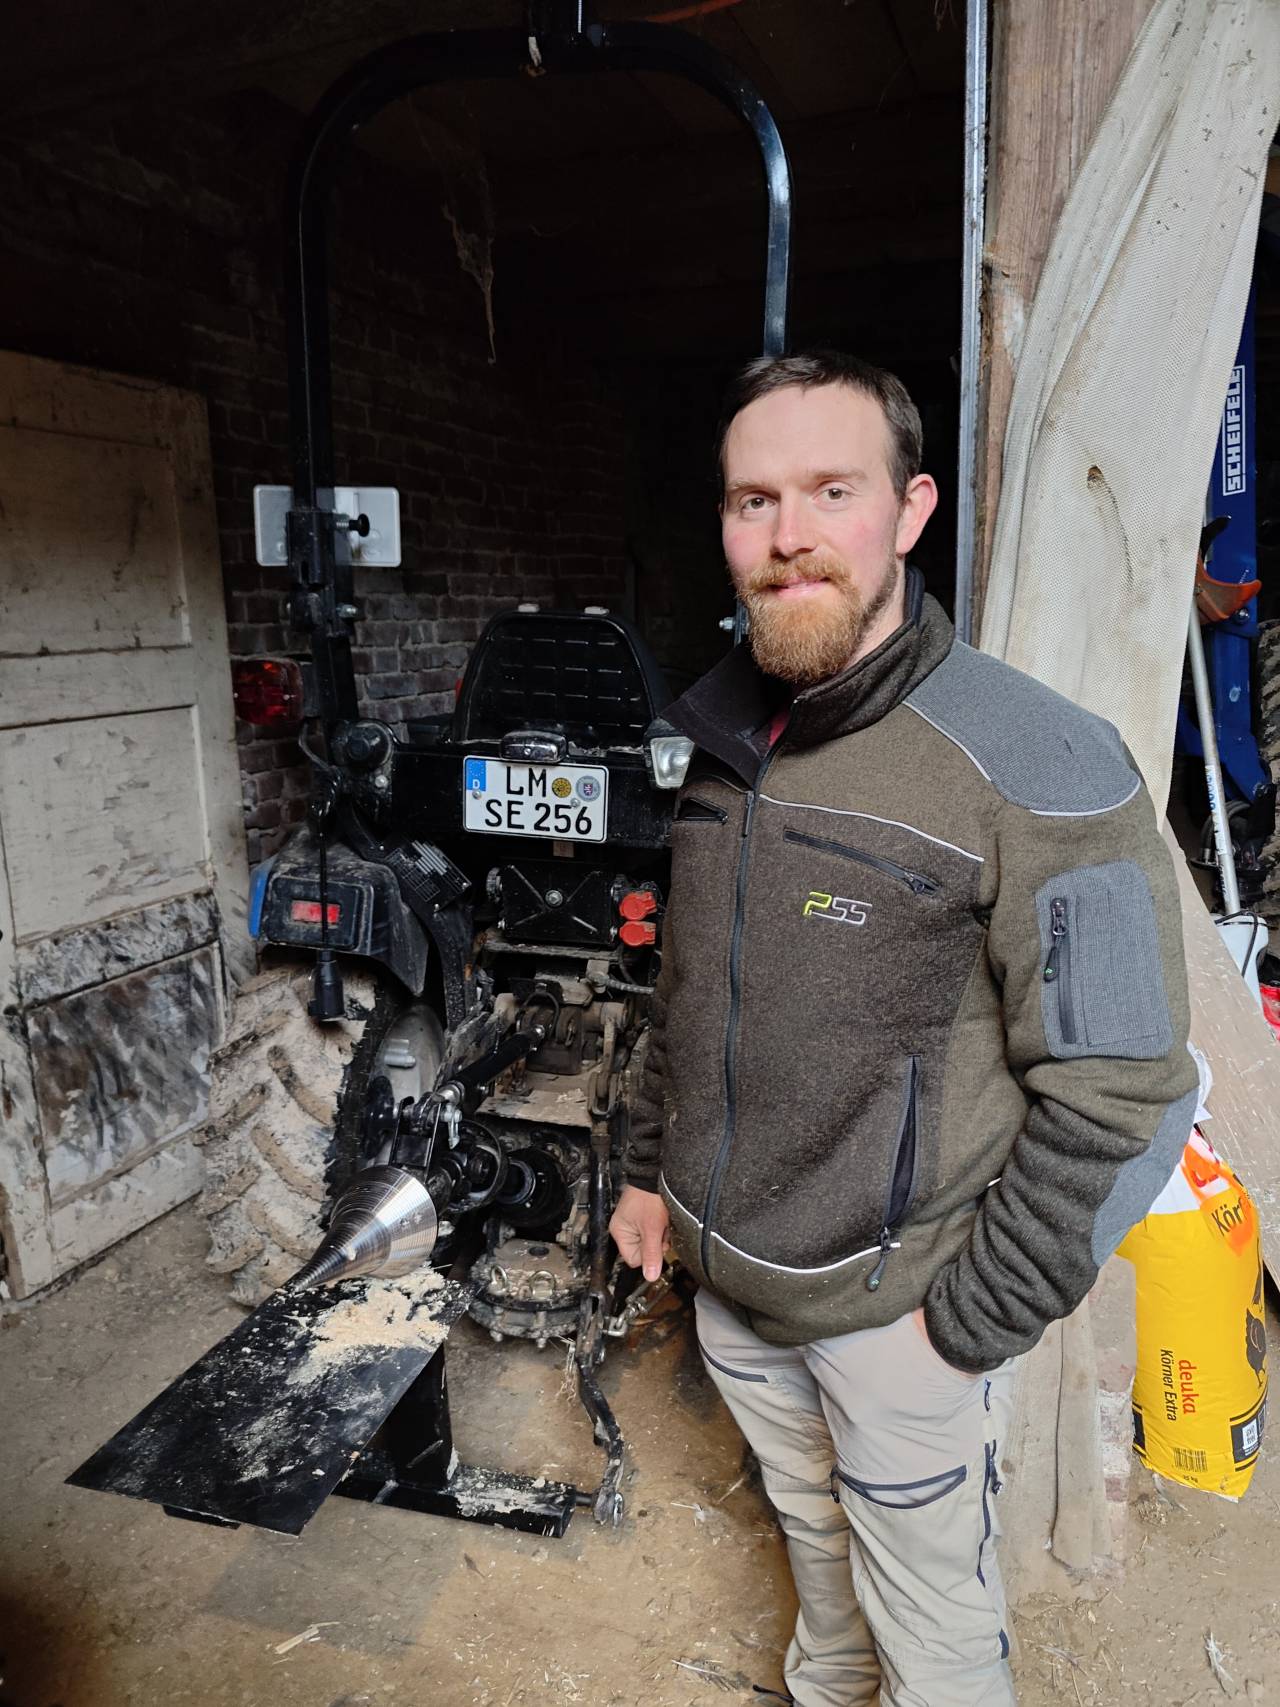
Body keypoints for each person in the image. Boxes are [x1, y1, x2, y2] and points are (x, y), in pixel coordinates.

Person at [609, 351, 1197, 1707]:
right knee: (815, 1549)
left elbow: (1125, 1092)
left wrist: (966, 1323)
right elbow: (688, 992)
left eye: (833, 491)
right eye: (754, 501)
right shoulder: (723, 738)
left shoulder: (1038, 762)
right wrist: (648, 1175)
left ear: (912, 509)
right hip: (732, 1288)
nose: (789, 536)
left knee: (933, 1636)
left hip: (899, 1321)